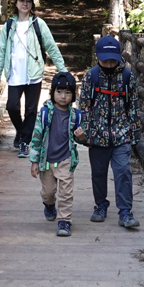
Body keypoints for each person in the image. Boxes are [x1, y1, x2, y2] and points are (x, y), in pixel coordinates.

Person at [0, 0, 66, 157]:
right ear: (16, 4)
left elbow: (52, 47)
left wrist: (63, 71)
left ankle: (25, 142)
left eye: (28, 1)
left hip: (34, 74)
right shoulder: (9, 25)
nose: (25, 3)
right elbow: (0, 52)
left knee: (31, 110)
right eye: (22, 0)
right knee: (12, 106)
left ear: (32, 5)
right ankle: (21, 130)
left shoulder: (39, 24)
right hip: (15, 74)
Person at [76, 35, 141, 229]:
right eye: (105, 60)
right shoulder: (91, 76)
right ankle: (100, 205)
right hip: (97, 134)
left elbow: (134, 107)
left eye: (113, 60)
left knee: (122, 171)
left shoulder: (127, 76)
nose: (110, 64)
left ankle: (125, 212)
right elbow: (84, 106)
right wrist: (84, 134)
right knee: (98, 172)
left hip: (122, 133)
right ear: (97, 57)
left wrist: (134, 135)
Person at [28, 71, 83, 237]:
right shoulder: (45, 113)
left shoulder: (75, 116)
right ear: (52, 93)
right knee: (48, 192)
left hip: (66, 158)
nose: (63, 96)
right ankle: (49, 204)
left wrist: (81, 136)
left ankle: (64, 221)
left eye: (68, 93)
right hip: (46, 160)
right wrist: (34, 161)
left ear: (73, 95)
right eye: (59, 92)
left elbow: (79, 140)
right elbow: (37, 137)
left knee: (66, 193)